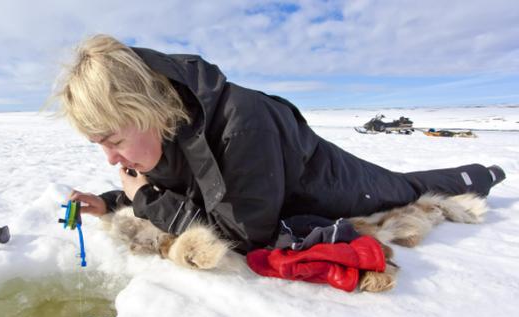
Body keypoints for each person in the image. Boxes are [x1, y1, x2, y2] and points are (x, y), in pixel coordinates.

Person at [56, 34, 505, 254]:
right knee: (405, 184)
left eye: (114, 140)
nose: (112, 157)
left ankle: (484, 173)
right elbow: (191, 189)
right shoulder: (167, 130)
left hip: (340, 185)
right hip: (283, 191)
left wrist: (146, 198)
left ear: (146, 109)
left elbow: (242, 236)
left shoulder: (243, 123)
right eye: (100, 145)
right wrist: (113, 199)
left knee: (406, 190)